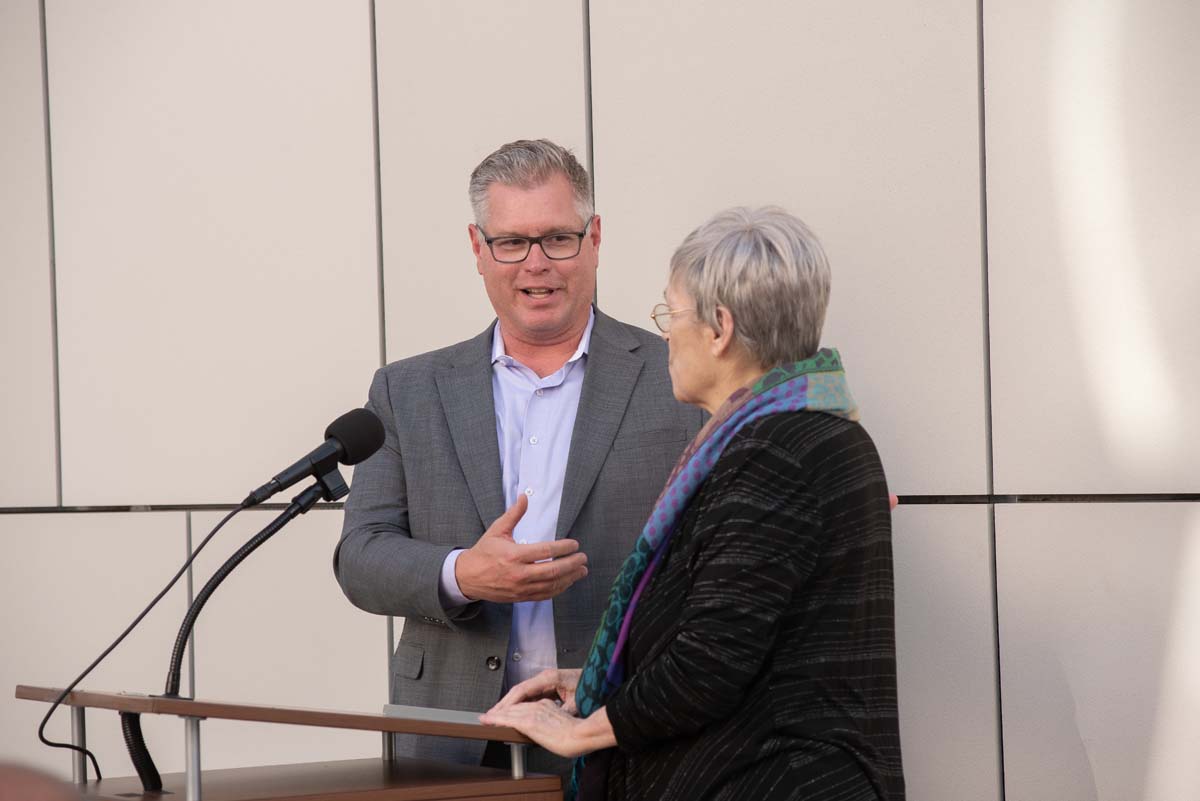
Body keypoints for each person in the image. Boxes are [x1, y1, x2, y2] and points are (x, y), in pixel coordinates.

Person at [482, 207, 906, 800]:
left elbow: (710, 664)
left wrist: (579, 734)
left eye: (671, 314)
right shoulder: (802, 432)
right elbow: (749, 639)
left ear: (719, 329)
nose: (665, 334)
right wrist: (603, 679)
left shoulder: (774, 453)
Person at [333, 139, 703, 775]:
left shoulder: (681, 380)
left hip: (617, 722)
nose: (538, 263)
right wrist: (461, 574)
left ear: (594, 238)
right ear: (478, 250)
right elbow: (361, 557)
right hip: (451, 732)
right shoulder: (407, 390)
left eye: (558, 237)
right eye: (512, 242)